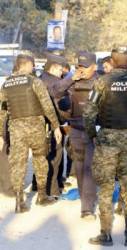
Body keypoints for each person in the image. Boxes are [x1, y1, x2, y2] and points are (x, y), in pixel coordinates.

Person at [84, 47, 127, 247]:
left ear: (113, 62)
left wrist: (93, 135)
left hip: (106, 140)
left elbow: (88, 114)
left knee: (106, 189)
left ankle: (105, 235)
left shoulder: (102, 82)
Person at [0, 54, 62, 213]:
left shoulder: (6, 84)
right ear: (26, 65)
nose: (33, 68)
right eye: (32, 65)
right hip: (36, 127)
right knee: (40, 160)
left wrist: (1, 134)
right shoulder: (35, 81)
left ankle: (19, 200)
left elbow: (2, 112)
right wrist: (55, 126)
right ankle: (42, 196)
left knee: (18, 164)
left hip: (16, 129)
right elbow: (47, 105)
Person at [35, 53, 81, 196]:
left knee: (52, 156)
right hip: (51, 124)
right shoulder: (48, 81)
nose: (62, 73)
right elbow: (57, 93)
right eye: (61, 70)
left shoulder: (43, 79)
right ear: (54, 68)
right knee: (54, 157)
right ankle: (52, 190)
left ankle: (45, 185)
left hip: (50, 124)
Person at [68, 52, 98, 220]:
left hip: (93, 130)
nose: (82, 70)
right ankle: (85, 199)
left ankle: (86, 208)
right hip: (75, 129)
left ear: (94, 66)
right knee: (79, 166)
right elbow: (57, 92)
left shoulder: (100, 82)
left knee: (89, 167)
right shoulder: (72, 82)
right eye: (79, 66)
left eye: (85, 67)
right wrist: (70, 79)